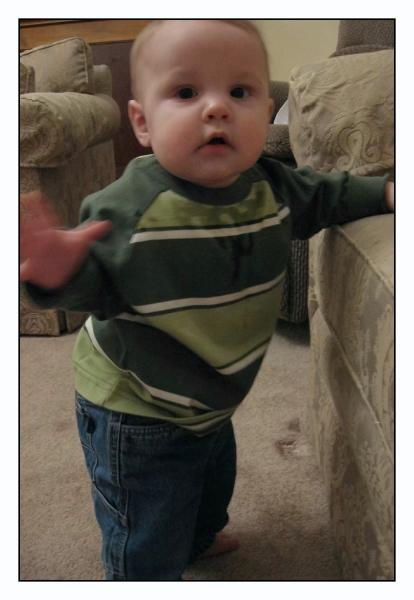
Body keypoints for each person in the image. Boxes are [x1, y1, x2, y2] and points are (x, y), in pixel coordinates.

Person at [20, 19, 394, 581]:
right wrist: (58, 271)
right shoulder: (130, 208)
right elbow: (93, 285)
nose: (216, 108)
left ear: (268, 108)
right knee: (147, 525)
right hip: (136, 407)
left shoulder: (272, 185)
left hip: (211, 391)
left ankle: (198, 535)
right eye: (186, 92)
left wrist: (386, 190)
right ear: (143, 123)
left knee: (212, 478)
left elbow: (329, 194)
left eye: (239, 91)